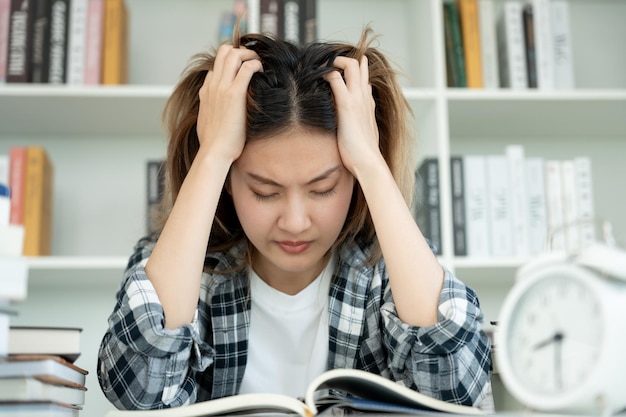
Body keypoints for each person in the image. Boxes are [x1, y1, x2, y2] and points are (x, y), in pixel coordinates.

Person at [97, 27, 493, 411]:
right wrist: (213, 152)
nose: (295, 222)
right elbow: (137, 392)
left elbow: (456, 389)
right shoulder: (176, 268)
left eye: (322, 189)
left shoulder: (392, 270)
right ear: (228, 183)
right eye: (264, 191)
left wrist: (371, 162)